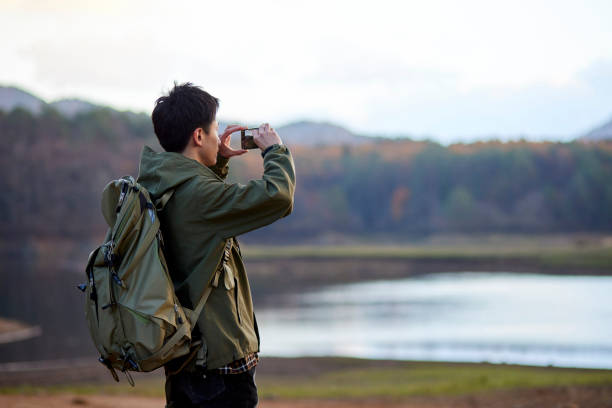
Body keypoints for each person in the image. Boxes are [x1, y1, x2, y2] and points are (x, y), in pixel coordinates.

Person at [137, 82, 296, 407]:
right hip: (219, 370)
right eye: (212, 131)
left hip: (187, 360)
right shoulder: (198, 196)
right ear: (198, 136)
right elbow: (278, 196)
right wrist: (274, 150)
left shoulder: (159, 185)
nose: (216, 136)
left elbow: (204, 214)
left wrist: (216, 163)